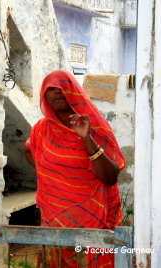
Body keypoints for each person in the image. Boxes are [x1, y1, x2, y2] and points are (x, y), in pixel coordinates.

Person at [24, 70, 125, 267]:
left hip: (94, 217)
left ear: (74, 91)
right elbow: (28, 149)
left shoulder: (96, 126)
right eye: (50, 89)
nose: (57, 92)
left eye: (62, 87)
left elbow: (111, 177)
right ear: (44, 96)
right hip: (55, 218)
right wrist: (50, 174)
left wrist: (87, 138)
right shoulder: (41, 129)